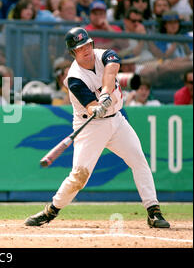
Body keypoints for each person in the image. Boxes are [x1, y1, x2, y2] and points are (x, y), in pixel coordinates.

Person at [24, 27, 170, 229]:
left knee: (139, 160)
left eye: (87, 45)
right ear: (73, 53)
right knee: (79, 177)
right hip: (90, 126)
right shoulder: (74, 79)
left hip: (117, 122)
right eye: (79, 48)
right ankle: (51, 210)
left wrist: (105, 95)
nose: (85, 50)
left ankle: (153, 211)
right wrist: (96, 107)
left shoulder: (106, 55)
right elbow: (91, 106)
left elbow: (111, 72)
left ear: (91, 44)